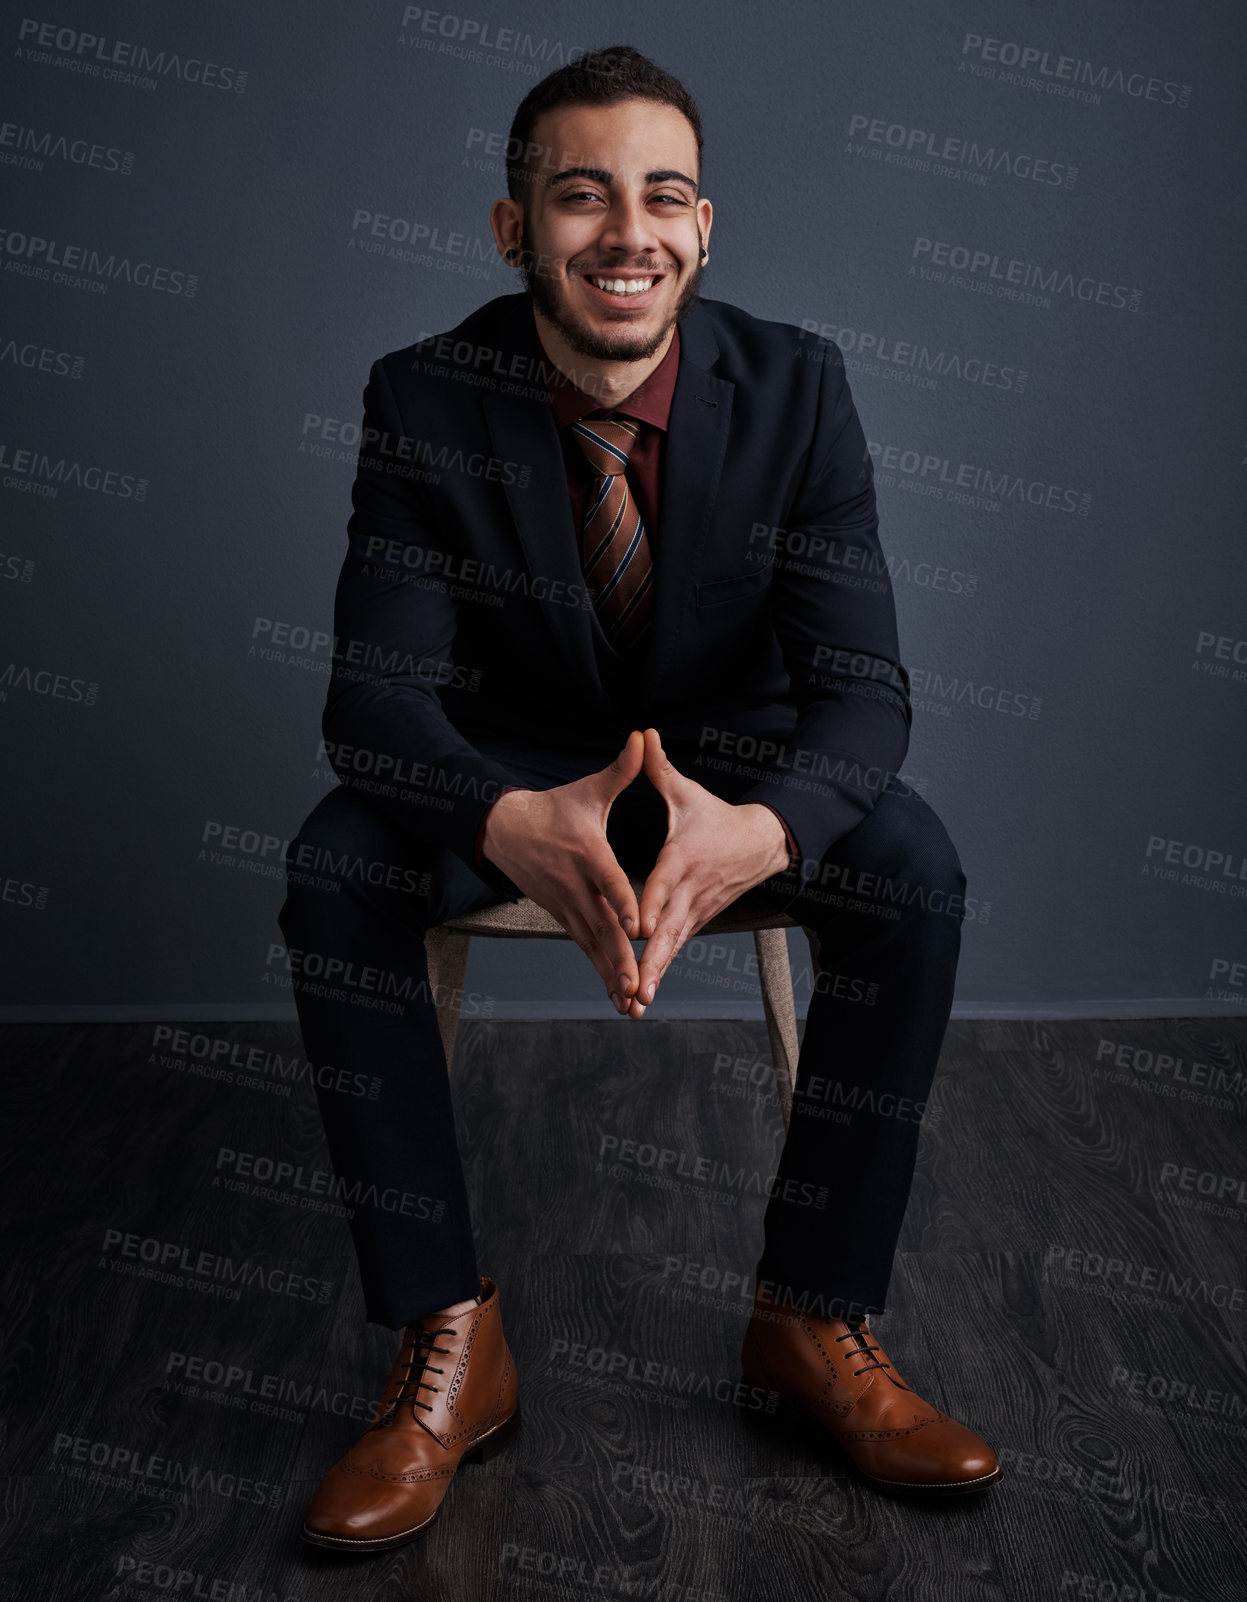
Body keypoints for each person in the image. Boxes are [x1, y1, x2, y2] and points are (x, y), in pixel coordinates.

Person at [277, 43, 1000, 1553]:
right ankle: (449, 1339)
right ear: (513, 227)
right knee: (336, 862)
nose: (628, 231)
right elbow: (375, 698)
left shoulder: (801, 390)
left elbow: (865, 690)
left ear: (706, 226)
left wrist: (768, 827)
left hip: (732, 773)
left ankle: (813, 1319)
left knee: (914, 866)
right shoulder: (424, 397)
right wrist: (499, 817)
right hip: (512, 767)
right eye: (581, 195)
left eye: (662, 195)